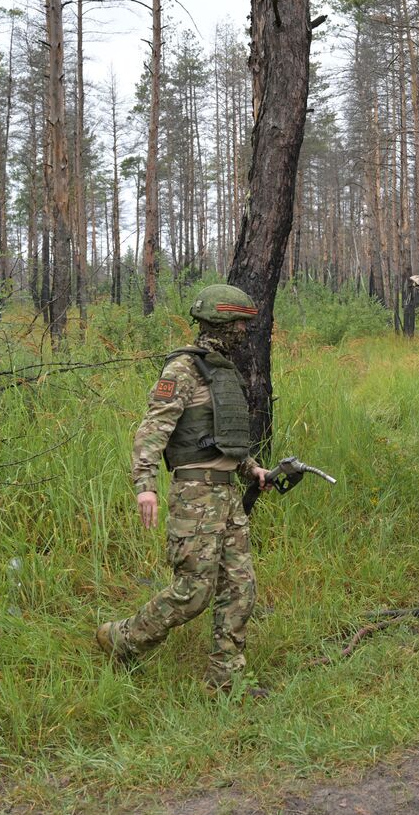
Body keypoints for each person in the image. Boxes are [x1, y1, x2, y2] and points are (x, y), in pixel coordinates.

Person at [96, 284, 275, 691]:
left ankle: (225, 679)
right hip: (195, 496)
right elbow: (153, 428)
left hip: (228, 496)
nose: (244, 332)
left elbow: (221, 437)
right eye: (239, 324)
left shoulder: (221, 371)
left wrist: (252, 470)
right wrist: (145, 485)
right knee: (193, 591)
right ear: (221, 323)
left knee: (240, 589)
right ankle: (122, 638)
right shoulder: (182, 370)